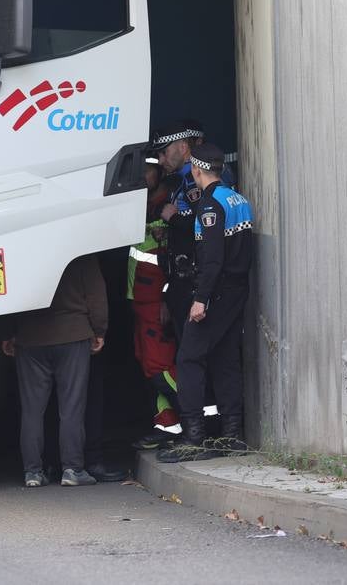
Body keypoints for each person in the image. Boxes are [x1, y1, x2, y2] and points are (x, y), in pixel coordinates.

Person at [157, 143, 253, 463]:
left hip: (217, 292)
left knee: (189, 359)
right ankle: (232, 434)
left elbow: (212, 261)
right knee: (225, 358)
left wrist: (200, 300)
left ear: (197, 171)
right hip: (237, 291)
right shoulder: (238, 199)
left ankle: (193, 436)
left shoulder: (210, 206)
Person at [3, 254, 108, 487]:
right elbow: (96, 295)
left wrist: (8, 333)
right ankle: (72, 469)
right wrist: (99, 330)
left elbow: (6, 293)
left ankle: (33, 472)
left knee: (31, 410)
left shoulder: (21, 245)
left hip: (30, 338)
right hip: (73, 335)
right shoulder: (82, 250)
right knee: (71, 407)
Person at [150, 119, 233, 343]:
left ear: (183, 147)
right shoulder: (180, 180)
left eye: (164, 152)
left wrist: (173, 218)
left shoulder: (193, 179)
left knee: (193, 354)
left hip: (194, 283)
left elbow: (207, 224)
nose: (160, 160)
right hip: (184, 280)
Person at [126, 155, 182, 450]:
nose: (144, 176)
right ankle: (168, 425)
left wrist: (167, 299)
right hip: (140, 299)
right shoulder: (140, 204)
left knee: (160, 367)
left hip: (156, 300)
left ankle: (194, 419)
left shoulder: (166, 204)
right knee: (149, 366)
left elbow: (174, 257)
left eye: (149, 170)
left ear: (159, 172)